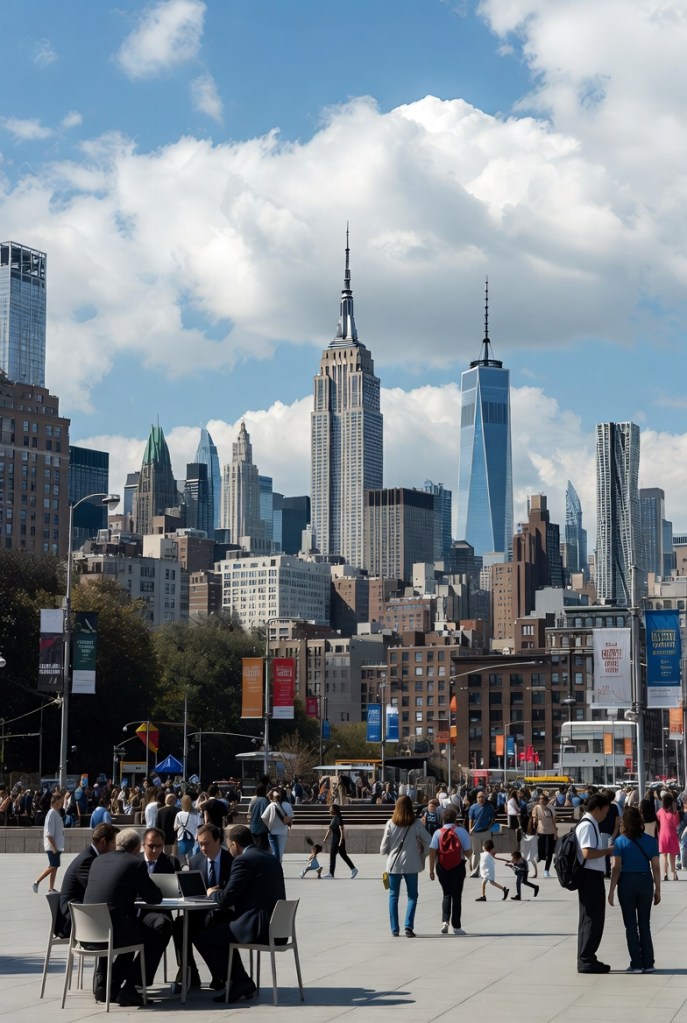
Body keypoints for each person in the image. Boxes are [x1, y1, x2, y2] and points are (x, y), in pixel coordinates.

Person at [194, 824, 286, 1003]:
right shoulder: (270, 858)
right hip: (276, 927)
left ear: (235, 844)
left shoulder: (243, 860)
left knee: (203, 937)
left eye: (229, 846)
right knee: (219, 928)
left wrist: (212, 893)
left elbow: (226, 898)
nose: (229, 850)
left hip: (258, 927)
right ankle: (239, 980)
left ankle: (239, 981)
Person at [84, 828, 167, 1006]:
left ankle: (108, 986)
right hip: (114, 932)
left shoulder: (98, 860)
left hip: (88, 931)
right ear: (137, 848)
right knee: (162, 926)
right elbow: (154, 898)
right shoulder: (135, 863)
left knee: (130, 929)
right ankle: (131, 987)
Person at [172, 822, 234, 990]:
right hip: (200, 911)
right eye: (200, 844)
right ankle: (189, 971)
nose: (203, 847)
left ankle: (219, 974)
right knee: (179, 925)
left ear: (218, 841)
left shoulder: (231, 861)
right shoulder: (195, 861)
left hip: (225, 912)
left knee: (207, 928)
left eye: (206, 843)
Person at [608, 805, 661, 973]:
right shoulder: (650, 840)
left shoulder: (620, 842)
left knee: (630, 926)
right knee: (645, 924)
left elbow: (616, 867)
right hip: (645, 881)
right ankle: (649, 962)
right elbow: (656, 867)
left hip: (627, 883)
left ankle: (636, 964)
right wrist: (657, 889)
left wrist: (611, 890)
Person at [380, 794, 431, 937]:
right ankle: (408, 926)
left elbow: (382, 849)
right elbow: (429, 840)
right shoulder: (416, 824)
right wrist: (422, 852)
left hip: (394, 865)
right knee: (412, 896)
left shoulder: (390, 823)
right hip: (411, 863)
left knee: (393, 895)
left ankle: (394, 929)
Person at [575, 792, 615, 974]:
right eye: (605, 812)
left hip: (591, 875)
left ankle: (587, 957)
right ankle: (586, 959)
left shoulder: (589, 823)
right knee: (593, 918)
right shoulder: (588, 826)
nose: (606, 816)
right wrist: (607, 851)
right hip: (590, 876)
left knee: (589, 918)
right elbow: (587, 853)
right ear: (598, 809)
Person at [58, 823, 119, 936]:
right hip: (74, 917)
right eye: (114, 846)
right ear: (103, 842)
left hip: (85, 911)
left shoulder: (93, 856)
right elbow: (96, 890)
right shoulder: (87, 860)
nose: (116, 850)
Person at [428, 804, 470, 934]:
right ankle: (456, 926)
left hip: (442, 866)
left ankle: (445, 921)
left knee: (446, 894)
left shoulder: (437, 833)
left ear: (443, 820)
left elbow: (432, 851)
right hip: (458, 865)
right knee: (457, 895)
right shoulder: (461, 831)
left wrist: (431, 869)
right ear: (455, 818)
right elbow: (468, 852)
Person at [33, 792, 64, 894]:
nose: (62, 803)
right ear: (56, 802)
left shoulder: (56, 813)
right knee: (53, 866)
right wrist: (54, 847)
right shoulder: (51, 813)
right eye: (61, 801)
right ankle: (37, 882)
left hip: (56, 846)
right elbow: (49, 833)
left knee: (54, 867)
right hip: (53, 846)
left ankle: (51, 888)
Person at [322, 803, 358, 879]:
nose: (329, 810)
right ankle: (353, 869)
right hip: (335, 839)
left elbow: (341, 829)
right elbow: (329, 829)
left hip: (338, 839)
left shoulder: (338, 818)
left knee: (334, 855)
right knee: (342, 855)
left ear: (334, 810)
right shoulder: (333, 818)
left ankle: (331, 873)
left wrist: (341, 839)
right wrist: (325, 838)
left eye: (330, 808)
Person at [261, 787, 294, 862]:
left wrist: (269, 825)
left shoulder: (271, 805)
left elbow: (263, 817)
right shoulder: (287, 805)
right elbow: (291, 817)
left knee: (274, 852)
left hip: (272, 831)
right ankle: (278, 867)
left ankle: (274, 867)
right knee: (280, 853)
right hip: (282, 832)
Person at [467, 791, 495, 876]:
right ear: (476, 798)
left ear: (485, 798)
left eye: (482, 797)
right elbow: (470, 819)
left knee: (487, 852)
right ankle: (475, 871)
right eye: (479, 797)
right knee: (476, 853)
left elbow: (492, 819)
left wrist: (489, 828)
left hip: (486, 832)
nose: (481, 799)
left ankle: (487, 870)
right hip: (475, 833)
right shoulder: (473, 807)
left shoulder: (489, 807)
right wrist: (470, 830)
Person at [656, 792, 680, 881]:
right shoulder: (674, 813)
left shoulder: (660, 811)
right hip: (672, 834)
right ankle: (674, 874)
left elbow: (658, 823)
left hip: (662, 835)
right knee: (672, 856)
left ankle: (665, 874)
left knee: (664, 856)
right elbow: (676, 824)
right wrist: (675, 811)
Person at [532, 793, 557, 877]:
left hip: (550, 832)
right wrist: (534, 823)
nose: (541, 800)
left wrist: (555, 833)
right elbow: (534, 818)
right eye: (540, 798)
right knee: (540, 849)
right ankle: (540, 857)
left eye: (542, 799)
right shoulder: (537, 807)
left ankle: (546, 870)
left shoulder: (551, 808)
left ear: (546, 800)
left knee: (549, 852)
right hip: (540, 831)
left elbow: (554, 821)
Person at [174, 794, 199, 865]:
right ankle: (191, 866)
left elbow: (175, 827)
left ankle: (183, 865)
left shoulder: (179, 814)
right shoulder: (195, 813)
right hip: (193, 836)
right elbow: (198, 825)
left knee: (182, 852)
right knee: (191, 853)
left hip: (181, 836)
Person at [248, 782, 270, 851]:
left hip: (253, 829)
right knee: (262, 851)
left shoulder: (255, 800)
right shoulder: (264, 801)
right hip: (261, 830)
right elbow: (264, 815)